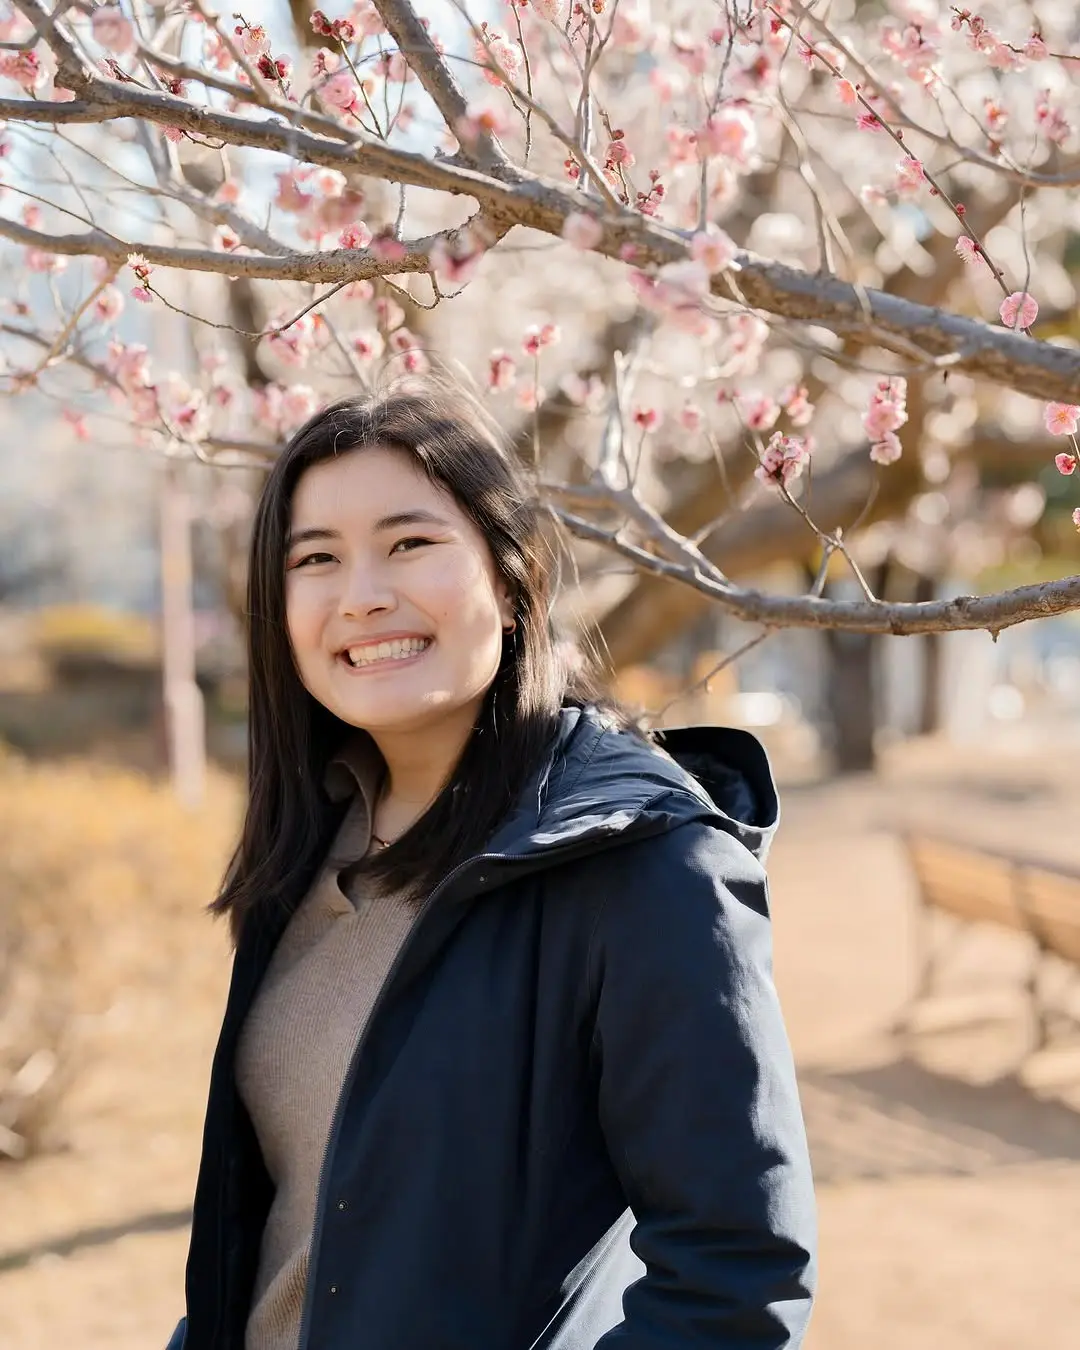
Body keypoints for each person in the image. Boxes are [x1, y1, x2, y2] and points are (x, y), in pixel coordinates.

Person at [166, 382, 816, 1350]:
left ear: (514, 581)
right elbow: (273, 1232)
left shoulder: (645, 863)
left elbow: (735, 1276)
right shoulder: (312, 845)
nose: (363, 595)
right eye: (316, 559)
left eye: (410, 543)